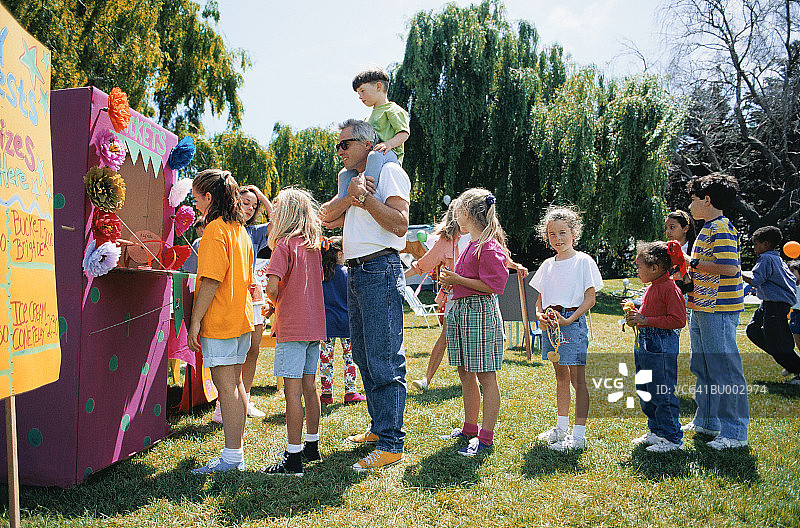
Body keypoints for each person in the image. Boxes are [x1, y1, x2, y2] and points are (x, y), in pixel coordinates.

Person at [319, 119, 410, 472]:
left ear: (368, 144)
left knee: (384, 358)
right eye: (337, 145)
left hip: (380, 268)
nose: (339, 151)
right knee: (364, 356)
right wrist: (351, 194)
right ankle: (379, 428)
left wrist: (366, 199)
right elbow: (326, 217)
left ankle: (391, 444)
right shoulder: (352, 180)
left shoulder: (388, 171)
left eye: (345, 144)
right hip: (358, 273)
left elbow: (400, 224)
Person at [188, 169, 254, 473]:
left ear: (209, 197)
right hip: (240, 318)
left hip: (222, 320)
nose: (195, 204)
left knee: (226, 388)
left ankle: (232, 458)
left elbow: (211, 281)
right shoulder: (240, 230)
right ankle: (234, 453)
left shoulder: (215, 230)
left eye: (196, 198)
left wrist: (195, 321)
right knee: (235, 385)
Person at [437, 188, 509, 456]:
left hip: (479, 313)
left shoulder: (488, 246)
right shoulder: (471, 243)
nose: (455, 217)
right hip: (464, 312)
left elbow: (494, 286)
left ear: (466, 213)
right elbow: (472, 280)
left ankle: (486, 438)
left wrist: (457, 280)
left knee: (485, 376)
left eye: (457, 212)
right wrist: (452, 283)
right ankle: (470, 428)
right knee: (465, 372)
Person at [261, 187, 326, 476]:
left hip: (292, 326)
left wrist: (275, 305)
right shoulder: (313, 247)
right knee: (310, 387)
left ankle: (293, 457)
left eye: (276, 208)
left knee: (291, 393)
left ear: (285, 213)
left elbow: (272, 286)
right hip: (314, 326)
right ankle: (312, 445)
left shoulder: (283, 245)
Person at [682, 173, 749, 450]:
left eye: (693, 199)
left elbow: (730, 268)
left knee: (724, 369)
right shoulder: (708, 228)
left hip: (719, 308)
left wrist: (691, 262)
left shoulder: (721, 228)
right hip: (702, 306)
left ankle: (735, 433)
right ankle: (708, 421)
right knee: (703, 365)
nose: (690, 206)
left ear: (707, 200)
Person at [530, 206, 603, 451]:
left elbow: (590, 299)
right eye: (552, 234)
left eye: (562, 232)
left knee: (577, 380)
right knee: (561, 377)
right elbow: (540, 298)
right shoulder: (547, 264)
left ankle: (578, 436)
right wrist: (539, 315)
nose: (557, 238)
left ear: (574, 233)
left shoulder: (583, 261)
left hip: (571, 323)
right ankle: (561, 428)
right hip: (552, 324)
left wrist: (570, 320)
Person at [210, 185, 273, 424]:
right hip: (230, 296)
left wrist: (261, 196)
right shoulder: (221, 227)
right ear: (234, 200)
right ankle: (224, 404)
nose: (250, 209)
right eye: (245, 202)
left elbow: (277, 222)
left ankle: (244, 400)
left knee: (252, 350)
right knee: (231, 353)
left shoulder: (254, 232)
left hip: (253, 295)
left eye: (254, 207)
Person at [623, 242, 687, 452]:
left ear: (655, 267)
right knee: (645, 388)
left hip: (661, 344)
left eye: (639, 267)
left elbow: (678, 320)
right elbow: (648, 315)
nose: (637, 271)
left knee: (661, 390)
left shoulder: (670, 288)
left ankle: (672, 438)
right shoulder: (652, 287)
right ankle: (656, 430)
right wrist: (637, 317)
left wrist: (646, 320)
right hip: (646, 343)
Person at [405, 199, 465, 392]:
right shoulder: (445, 241)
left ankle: (478, 379)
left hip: (477, 296)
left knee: (473, 339)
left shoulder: (479, 236)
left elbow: (498, 256)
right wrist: (399, 277)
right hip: (454, 297)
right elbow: (422, 265)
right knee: (445, 336)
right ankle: (427, 380)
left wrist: (515, 265)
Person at [337, 69, 410, 199]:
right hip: (373, 155)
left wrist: (388, 144)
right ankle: (343, 203)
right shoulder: (368, 118)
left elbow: (404, 133)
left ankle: (367, 195)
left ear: (378, 86)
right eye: (358, 93)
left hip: (389, 154)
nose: (360, 97)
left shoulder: (392, 110)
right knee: (344, 173)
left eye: (362, 91)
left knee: (374, 156)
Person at [743, 226, 800, 383]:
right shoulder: (777, 258)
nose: (753, 247)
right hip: (770, 303)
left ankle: (795, 366)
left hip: (775, 304)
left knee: (777, 341)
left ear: (766, 244)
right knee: (753, 331)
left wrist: (736, 272)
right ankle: (788, 360)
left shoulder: (766, 258)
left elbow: (755, 280)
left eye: (755, 244)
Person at [320, 236, 366, 404]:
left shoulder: (322, 274)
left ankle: (326, 394)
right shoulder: (348, 273)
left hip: (327, 324)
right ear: (339, 254)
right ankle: (350, 392)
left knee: (326, 360)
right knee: (350, 358)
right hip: (348, 323)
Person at [789, 261, 800, 366]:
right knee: (796, 338)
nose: (791, 274)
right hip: (795, 314)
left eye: (793, 272)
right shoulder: (791, 285)